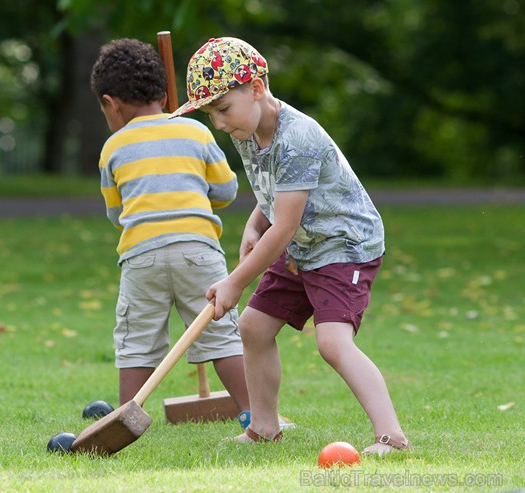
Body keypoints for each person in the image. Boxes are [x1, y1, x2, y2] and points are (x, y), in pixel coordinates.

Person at [171, 37, 411, 455]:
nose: (220, 123)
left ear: (257, 87)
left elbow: (283, 228)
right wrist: (253, 221)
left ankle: (392, 437)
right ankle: (263, 428)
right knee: (253, 327)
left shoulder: (298, 137)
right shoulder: (245, 131)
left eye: (223, 109)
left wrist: (234, 282)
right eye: (212, 114)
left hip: (344, 246)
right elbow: (275, 196)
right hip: (304, 243)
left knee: (332, 343)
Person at [89, 38, 251, 423]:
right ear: (163, 93)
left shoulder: (112, 148)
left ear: (111, 104)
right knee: (222, 335)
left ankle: (125, 421)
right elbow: (226, 190)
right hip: (198, 250)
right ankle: (253, 412)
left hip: (140, 256)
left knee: (137, 342)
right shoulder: (196, 133)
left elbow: (117, 214)